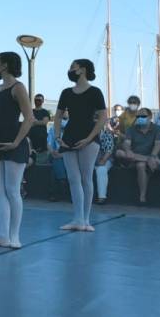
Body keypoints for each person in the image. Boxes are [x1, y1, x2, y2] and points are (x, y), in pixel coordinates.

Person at [0, 52, 33, 249]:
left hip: (15, 142)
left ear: (4, 65)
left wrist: (16, 142)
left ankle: (15, 236)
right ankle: (3, 235)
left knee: (13, 190)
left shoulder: (18, 87)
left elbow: (28, 117)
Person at [53, 60, 108, 229]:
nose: (70, 70)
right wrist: (57, 136)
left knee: (86, 178)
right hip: (69, 135)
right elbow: (58, 115)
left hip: (89, 136)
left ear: (82, 70)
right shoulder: (66, 92)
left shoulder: (95, 92)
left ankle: (86, 219)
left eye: (73, 67)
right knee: (73, 178)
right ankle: (77, 218)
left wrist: (90, 137)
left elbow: (102, 117)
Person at [115, 107, 160, 204]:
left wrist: (152, 156)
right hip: (134, 157)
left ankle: (142, 196)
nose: (140, 118)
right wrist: (128, 150)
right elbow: (126, 143)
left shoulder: (158, 129)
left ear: (150, 117)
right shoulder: (131, 129)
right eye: (138, 116)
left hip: (148, 157)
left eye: (143, 116)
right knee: (120, 153)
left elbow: (158, 144)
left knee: (141, 165)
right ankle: (154, 161)